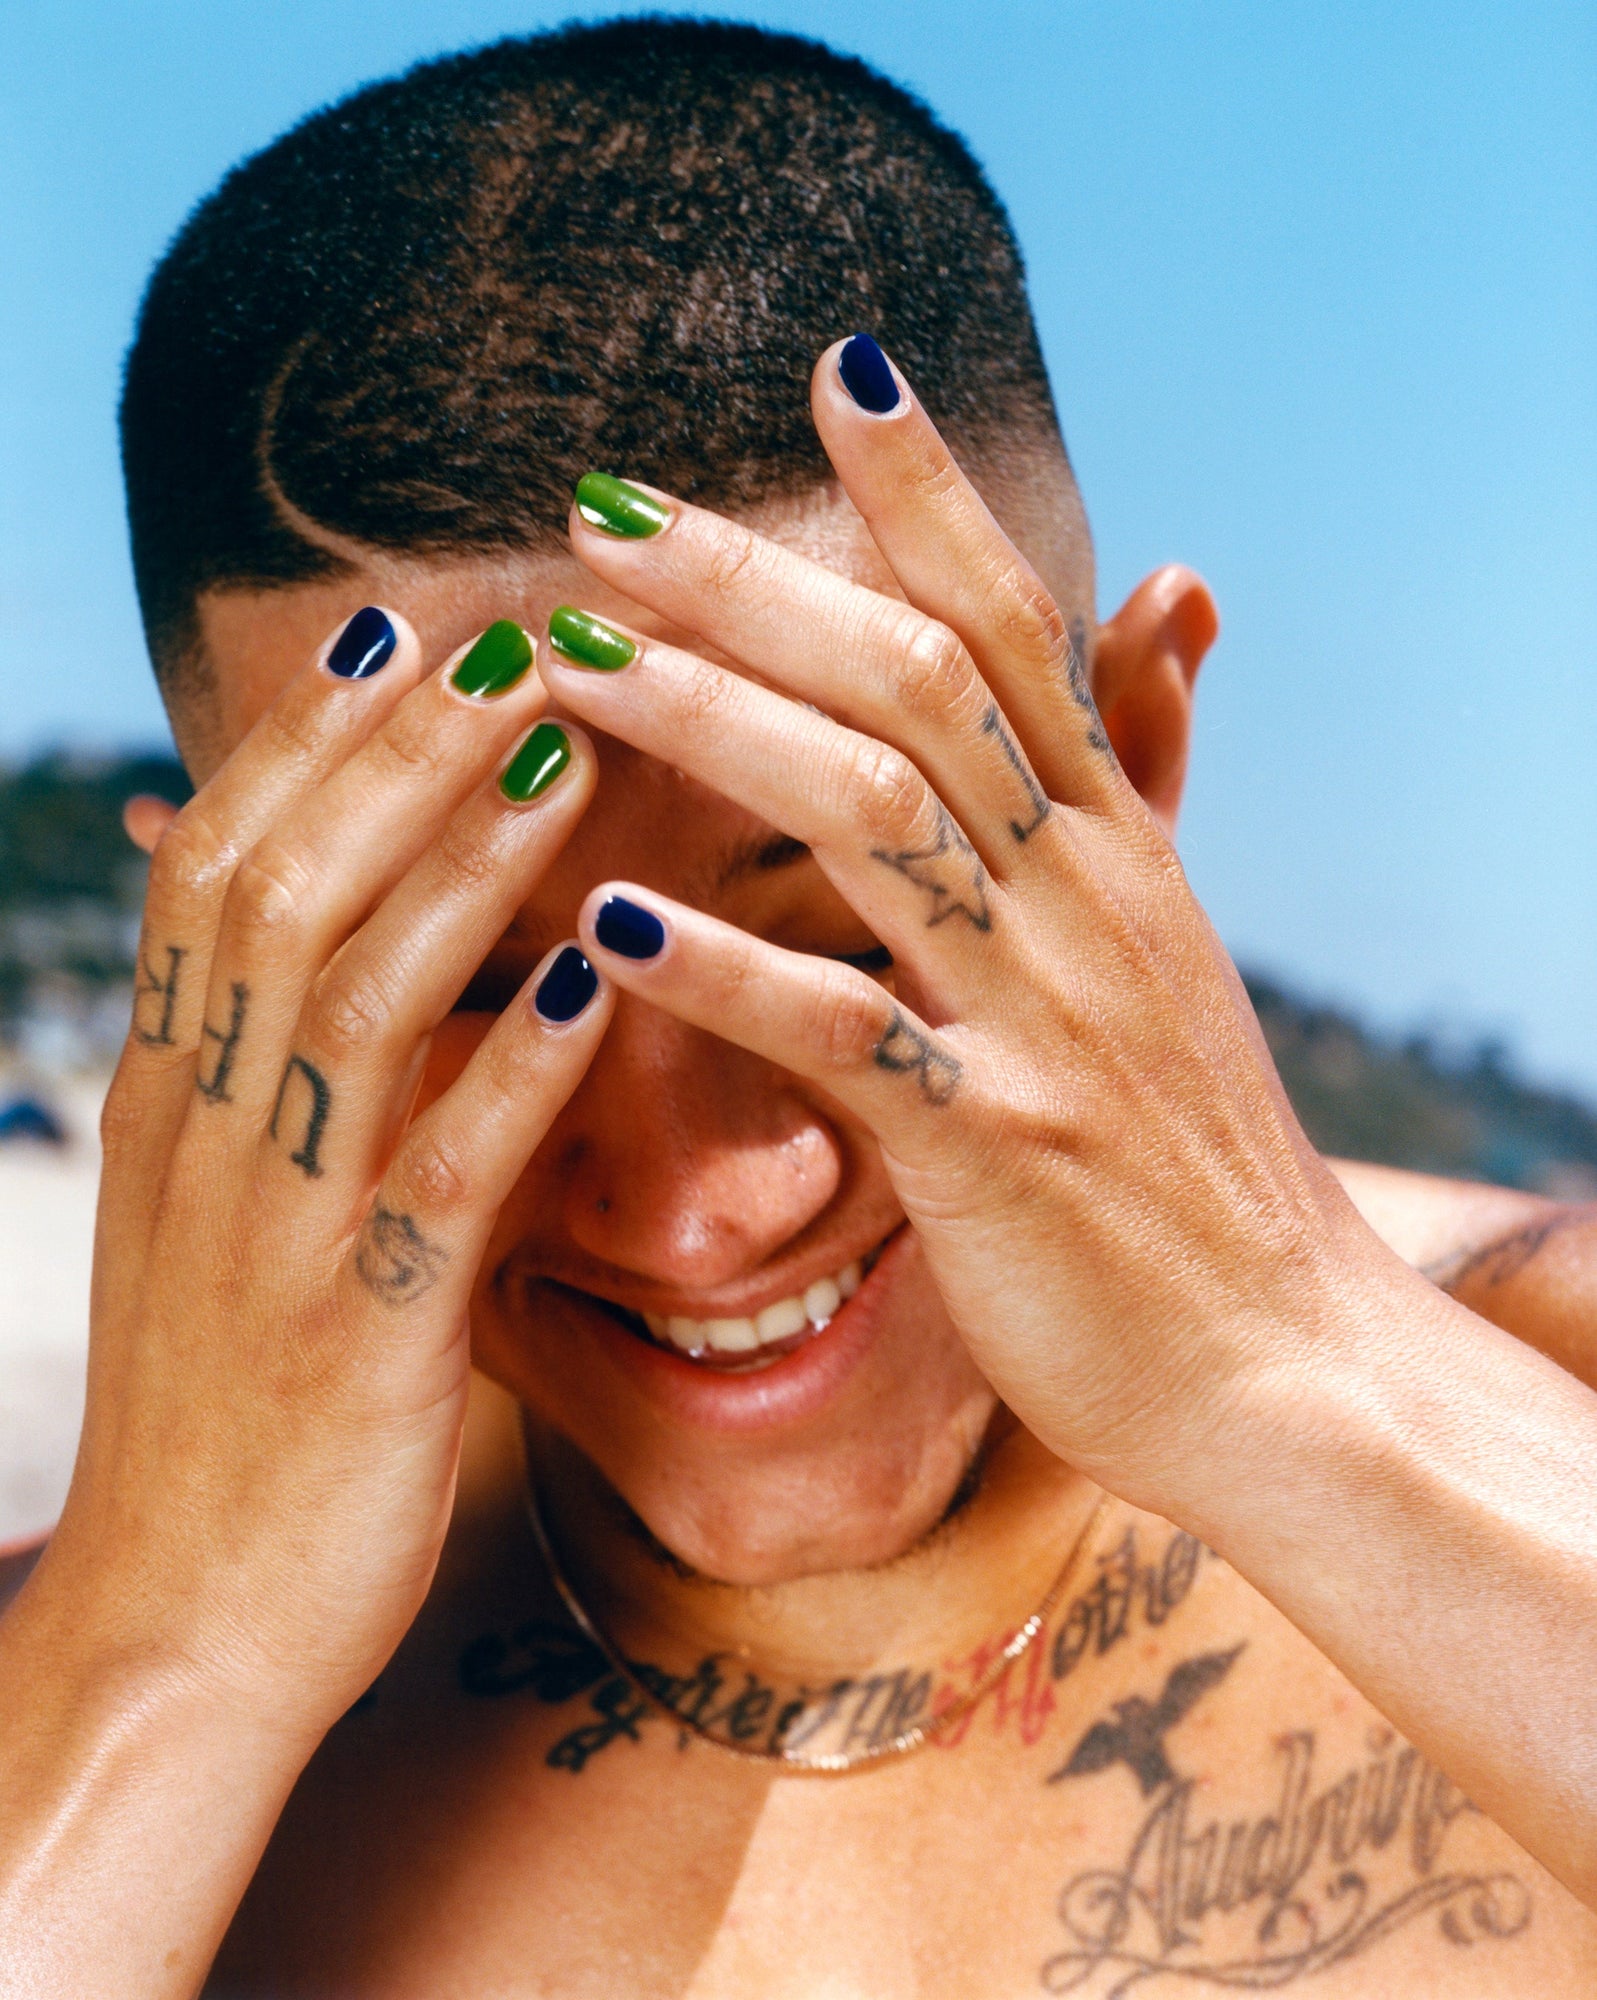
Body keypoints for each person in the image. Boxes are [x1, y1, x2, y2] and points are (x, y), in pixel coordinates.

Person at [2, 20, 1594, 1996]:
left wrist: (1286, 1369)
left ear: (1146, 757)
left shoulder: (1545, 1386)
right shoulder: (93, 1725)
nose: (699, 1210)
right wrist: (167, 1652)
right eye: (486, 988)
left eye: (842, 932)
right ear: (217, 965)